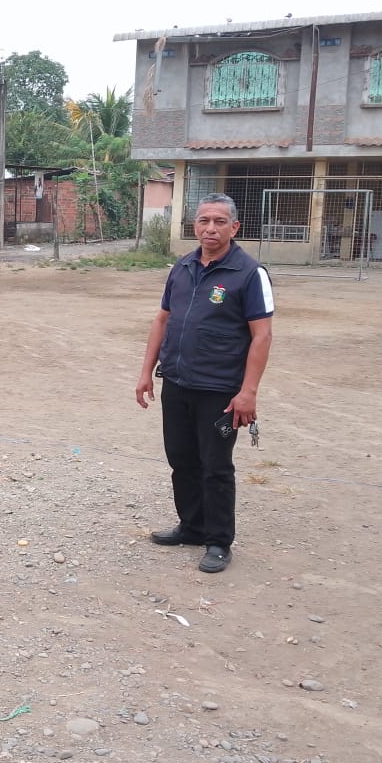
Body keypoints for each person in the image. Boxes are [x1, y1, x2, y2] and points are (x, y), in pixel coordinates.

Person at [135, 193, 274, 573]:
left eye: (219, 222)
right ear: (194, 225)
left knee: (215, 466)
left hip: (220, 390)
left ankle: (218, 541)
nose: (210, 228)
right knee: (181, 460)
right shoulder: (182, 268)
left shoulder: (249, 273)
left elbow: (262, 335)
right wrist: (146, 371)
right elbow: (162, 320)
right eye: (203, 221)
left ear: (234, 227)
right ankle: (192, 527)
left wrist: (248, 392)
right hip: (177, 381)